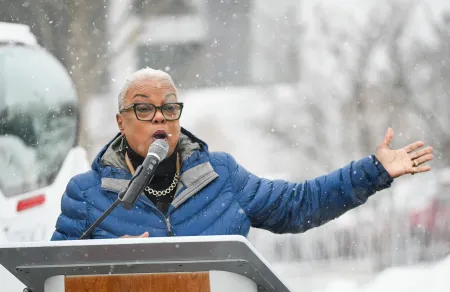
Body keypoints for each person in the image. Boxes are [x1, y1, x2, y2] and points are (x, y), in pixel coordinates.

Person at [50, 68, 433, 240]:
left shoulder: (221, 175)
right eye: (144, 109)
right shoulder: (87, 194)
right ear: (121, 122)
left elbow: (299, 205)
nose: (159, 118)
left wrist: (373, 171)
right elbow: (49, 279)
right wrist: (104, 267)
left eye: (169, 107)